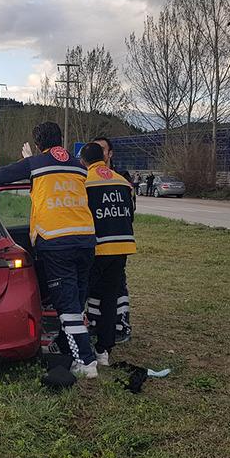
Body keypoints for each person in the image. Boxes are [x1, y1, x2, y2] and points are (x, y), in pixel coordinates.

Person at [0, 121, 98, 379]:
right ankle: (65, 346)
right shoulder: (79, 166)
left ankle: (85, 362)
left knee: (67, 305)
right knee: (77, 300)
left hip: (56, 241)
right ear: (60, 139)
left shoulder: (35, 164)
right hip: (86, 240)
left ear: (38, 144)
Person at [80, 143, 136, 366]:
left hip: (97, 248)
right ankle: (104, 350)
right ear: (103, 158)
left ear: (83, 161)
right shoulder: (122, 181)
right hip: (121, 247)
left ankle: (72, 344)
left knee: (80, 295)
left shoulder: (85, 181)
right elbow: (130, 214)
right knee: (109, 299)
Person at [92, 137, 134, 344]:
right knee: (98, 289)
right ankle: (96, 324)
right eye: (95, 149)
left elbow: (129, 212)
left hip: (113, 243)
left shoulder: (121, 178)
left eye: (102, 149)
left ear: (110, 153)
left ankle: (121, 324)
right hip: (103, 244)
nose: (99, 153)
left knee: (117, 288)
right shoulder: (90, 177)